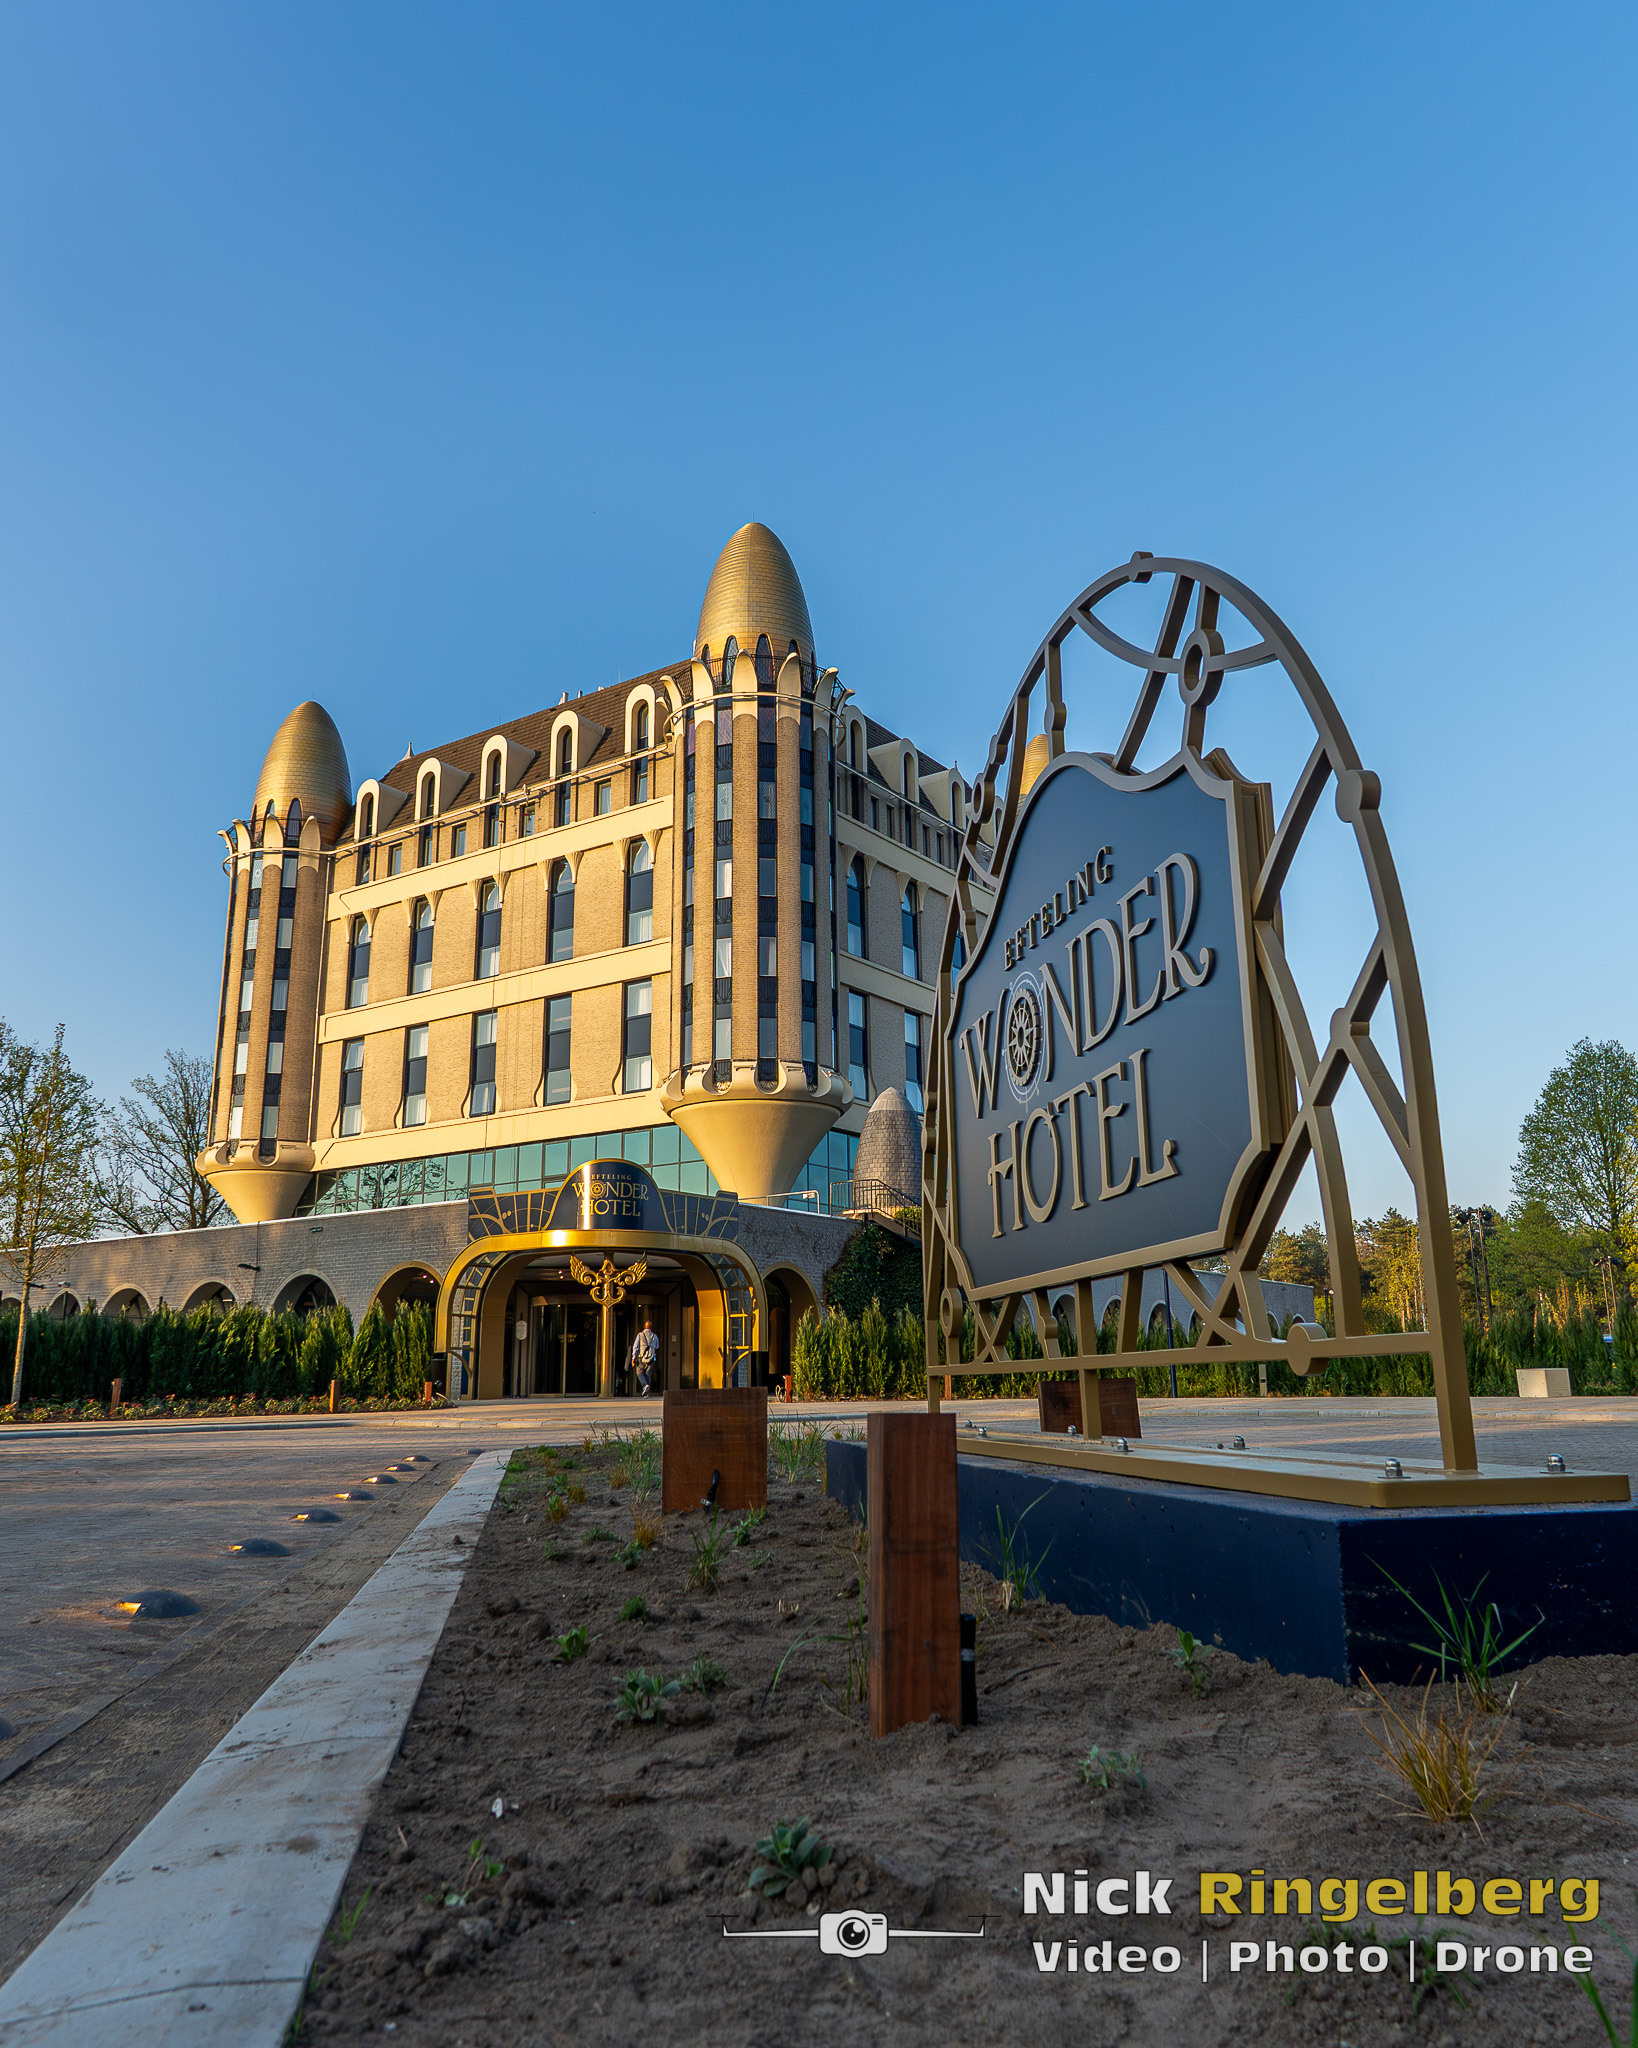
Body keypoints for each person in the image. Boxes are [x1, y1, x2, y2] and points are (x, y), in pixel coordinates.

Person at [630, 1313, 661, 1397]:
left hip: (641, 1357)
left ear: (644, 1326)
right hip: (651, 1358)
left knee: (639, 1372)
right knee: (648, 1374)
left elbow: (635, 1347)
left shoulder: (640, 1335)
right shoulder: (654, 1336)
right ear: (651, 1327)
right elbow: (657, 1346)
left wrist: (633, 1357)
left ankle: (645, 1385)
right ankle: (647, 1393)